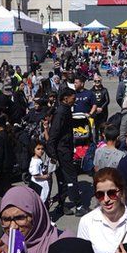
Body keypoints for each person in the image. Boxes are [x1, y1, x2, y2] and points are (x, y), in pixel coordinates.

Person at [47, 88, 80, 216]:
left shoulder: (65, 110)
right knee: (70, 177)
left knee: (63, 179)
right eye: (73, 97)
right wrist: (53, 156)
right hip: (62, 151)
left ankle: (62, 204)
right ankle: (78, 204)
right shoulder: (61, 112)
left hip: (64, 149)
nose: (75, 100)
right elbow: (53, 136)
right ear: (65, 98)